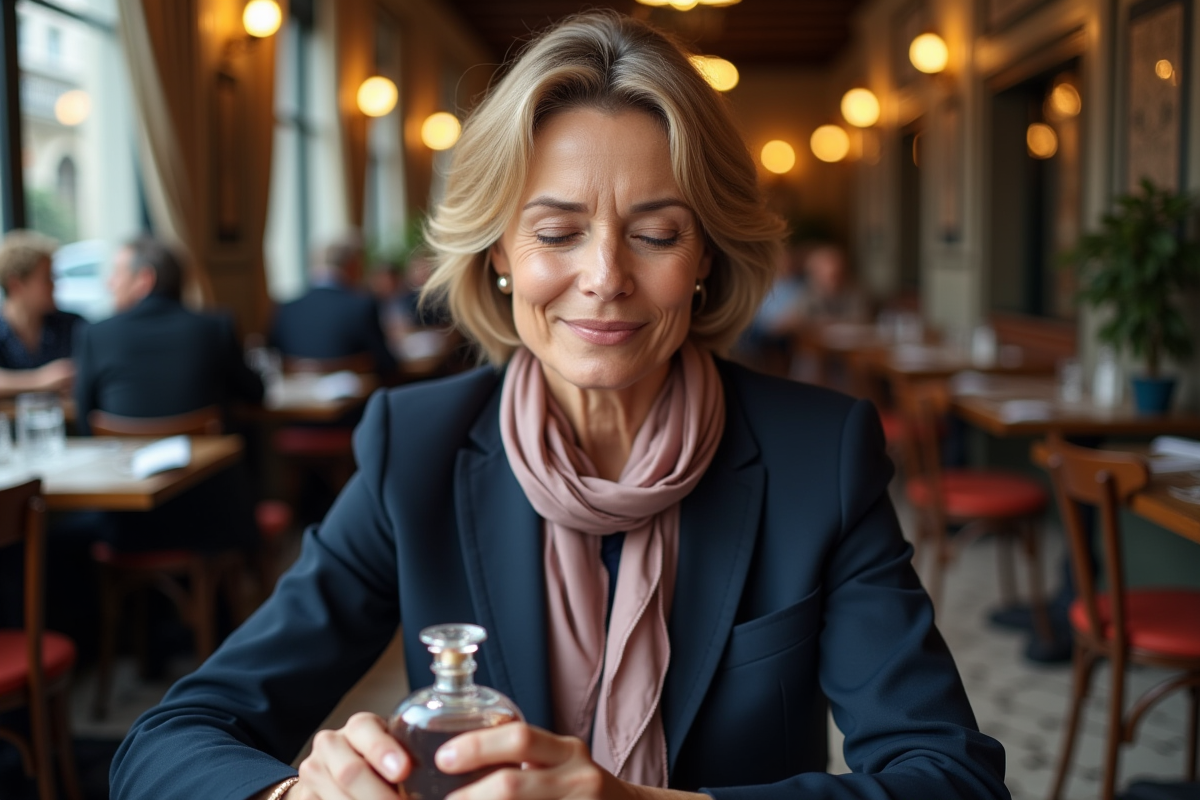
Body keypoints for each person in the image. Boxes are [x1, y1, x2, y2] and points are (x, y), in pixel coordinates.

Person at [110, 13, 1008, 800]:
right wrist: (292, 794)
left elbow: (951, 776)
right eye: (556, 233)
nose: (606, 279)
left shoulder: (820, 452)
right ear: (498, 253)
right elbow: (168, 744)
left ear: (704, 258)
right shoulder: (414, 446)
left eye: (656, 234)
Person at [72, 236, 263, 553]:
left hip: (125, 522)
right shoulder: (215, 327)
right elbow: (256, 394)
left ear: (145, 279)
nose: (110, 283)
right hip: (213, 516)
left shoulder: (96, 334)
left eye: (117, 273)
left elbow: (84, 423)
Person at [269, 236, 397, 380]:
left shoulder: (286, 308)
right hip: (357, 401)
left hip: (293, 398)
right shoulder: (362, 306)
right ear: (352, 266)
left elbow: (270, 356)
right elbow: (387, 364)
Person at [0, 230, 84, 397]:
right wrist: (41, 380)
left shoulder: (72, 325)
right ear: (16, 285)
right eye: (47, 278)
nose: (55, 286)